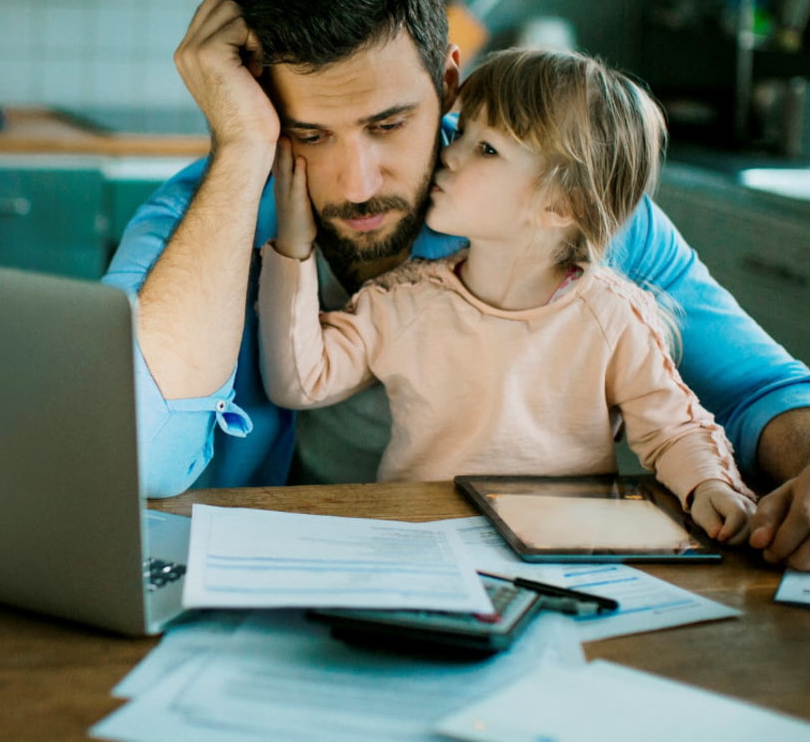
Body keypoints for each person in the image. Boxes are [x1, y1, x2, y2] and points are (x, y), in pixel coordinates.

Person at [102, 0, 810, 571]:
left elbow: (769, 389)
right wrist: (241, 153)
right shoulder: (200, 218)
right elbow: (128, 454)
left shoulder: (560, 209)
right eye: (308, 132)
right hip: (275, 593)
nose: (357, 180)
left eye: (388, 124)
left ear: (446, 83)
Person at [258, 47, 758, 543]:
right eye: (465, 131)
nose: (449, 153)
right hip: (425, 544)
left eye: (487, 148)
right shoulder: (402, 302)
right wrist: (293, 247)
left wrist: (711, 485)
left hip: (565, 554)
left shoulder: (613, 317)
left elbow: (672, 431)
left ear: (562, 205)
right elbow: (301, 382)